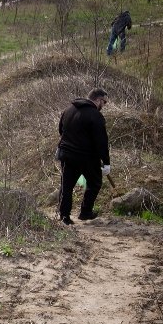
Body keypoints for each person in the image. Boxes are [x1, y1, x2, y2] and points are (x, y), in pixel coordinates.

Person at [56, 88, 111, 225]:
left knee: (66, 186)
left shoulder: (69, 109)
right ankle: (85, 212)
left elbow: (61, 129)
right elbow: (101, 142)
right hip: (86, 158)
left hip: (67, 154)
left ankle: (64, 216)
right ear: (98, 100)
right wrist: (106, 162)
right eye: (104, 102)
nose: (103, 106)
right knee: (95, 183)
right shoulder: (95, 116)